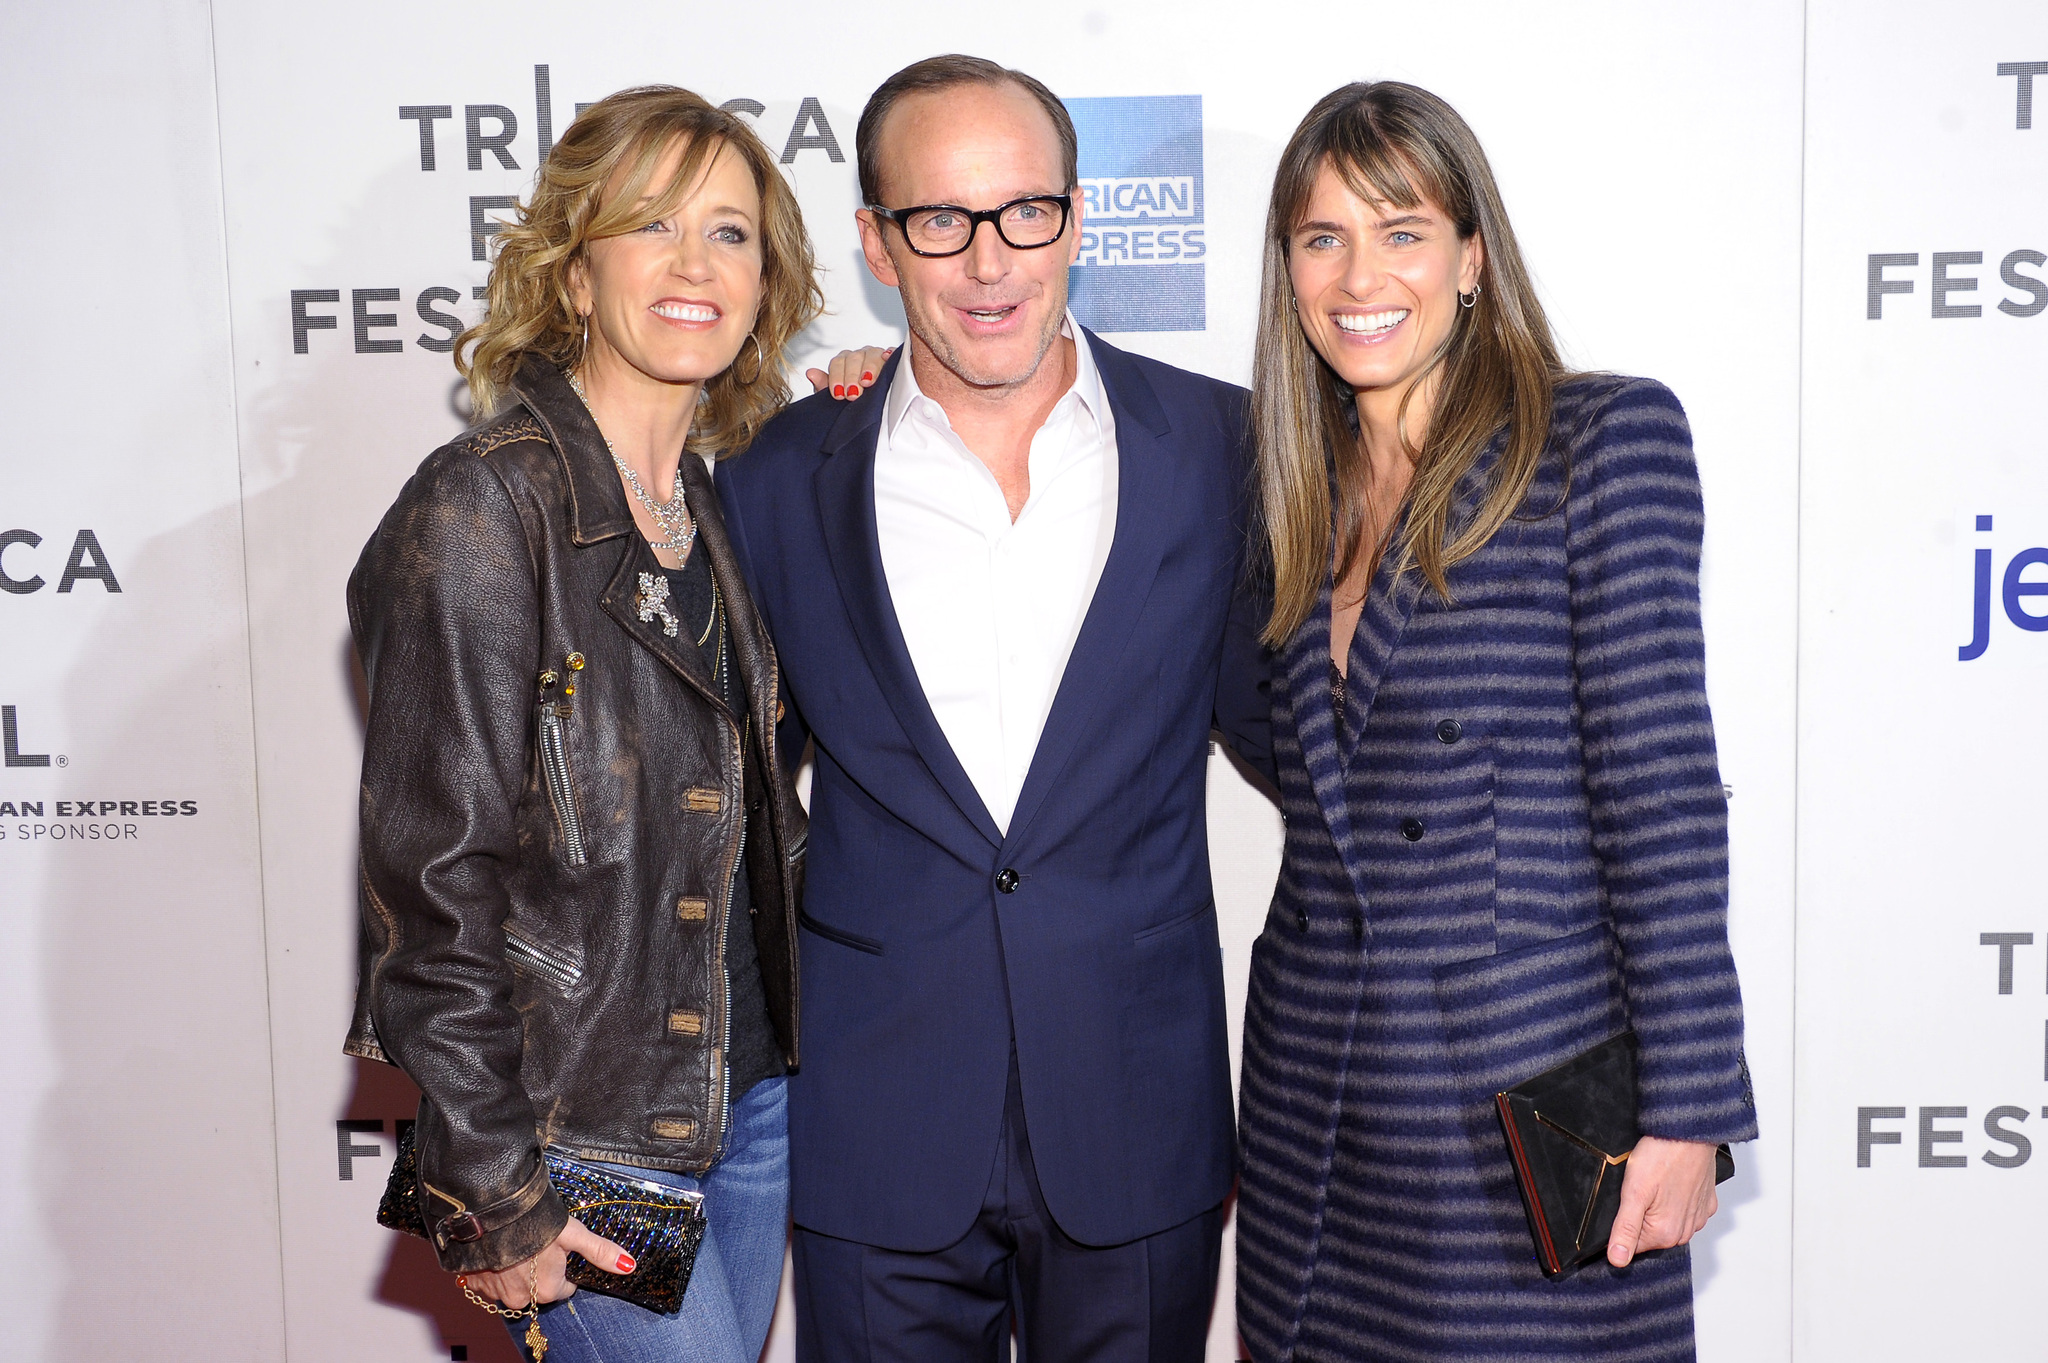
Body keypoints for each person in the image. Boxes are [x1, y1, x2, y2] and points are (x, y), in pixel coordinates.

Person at [715, 54, 1271, 1363]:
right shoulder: (779, 476)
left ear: (1076, 219)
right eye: (938, 220)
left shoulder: (1224, 449)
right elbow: (717, 803)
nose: (986, 260)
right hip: (877, 1120)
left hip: (1138, 1110)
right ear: (877, 240)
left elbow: (1309, 737)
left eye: (1024, 211)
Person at [1232, 81, 1758, 1362]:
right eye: (1322, 237)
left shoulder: (1595, 440)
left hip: (1526, 1106)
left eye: (1400, 230)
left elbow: (1661, 791)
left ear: (1471, 256)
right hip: (1318, 1110)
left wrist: (1685, 1111)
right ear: (1288, 270)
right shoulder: (1280, 494)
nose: (1360, 273)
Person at [344, 85, 820, 1363]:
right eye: (649, 224)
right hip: (584, 1131)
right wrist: (495, 1194)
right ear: (573, 266)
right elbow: (430, 888)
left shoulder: (713, 508)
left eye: (729, 232)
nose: (691, 264)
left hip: (751, 1105)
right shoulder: (484, 512)